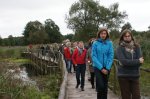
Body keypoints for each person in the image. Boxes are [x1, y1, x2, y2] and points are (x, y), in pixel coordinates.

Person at [116, 29, 144, 99]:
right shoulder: (119, 48)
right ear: (123, 37)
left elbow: (141, 62)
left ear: (131, 36)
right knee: (126, 97)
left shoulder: (137, 47)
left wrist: (134, 62)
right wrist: (137, 61)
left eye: (129, 36)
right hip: (123, 76)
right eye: (125, 36)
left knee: (137, 96)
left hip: (135, 75)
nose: (127, 37)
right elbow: (123, 62)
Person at [91, 28, 114, 99]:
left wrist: (107, 68)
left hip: (107, 67)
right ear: (99, 34)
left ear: (107, 34)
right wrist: (101, 68)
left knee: (105, 86)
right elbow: (94, 56)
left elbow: (111, 55)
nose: (103, 35)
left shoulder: (110, 43)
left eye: (105, 33)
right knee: (100, 86)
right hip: (98, 67)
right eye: (102, 33)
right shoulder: (95, 43)